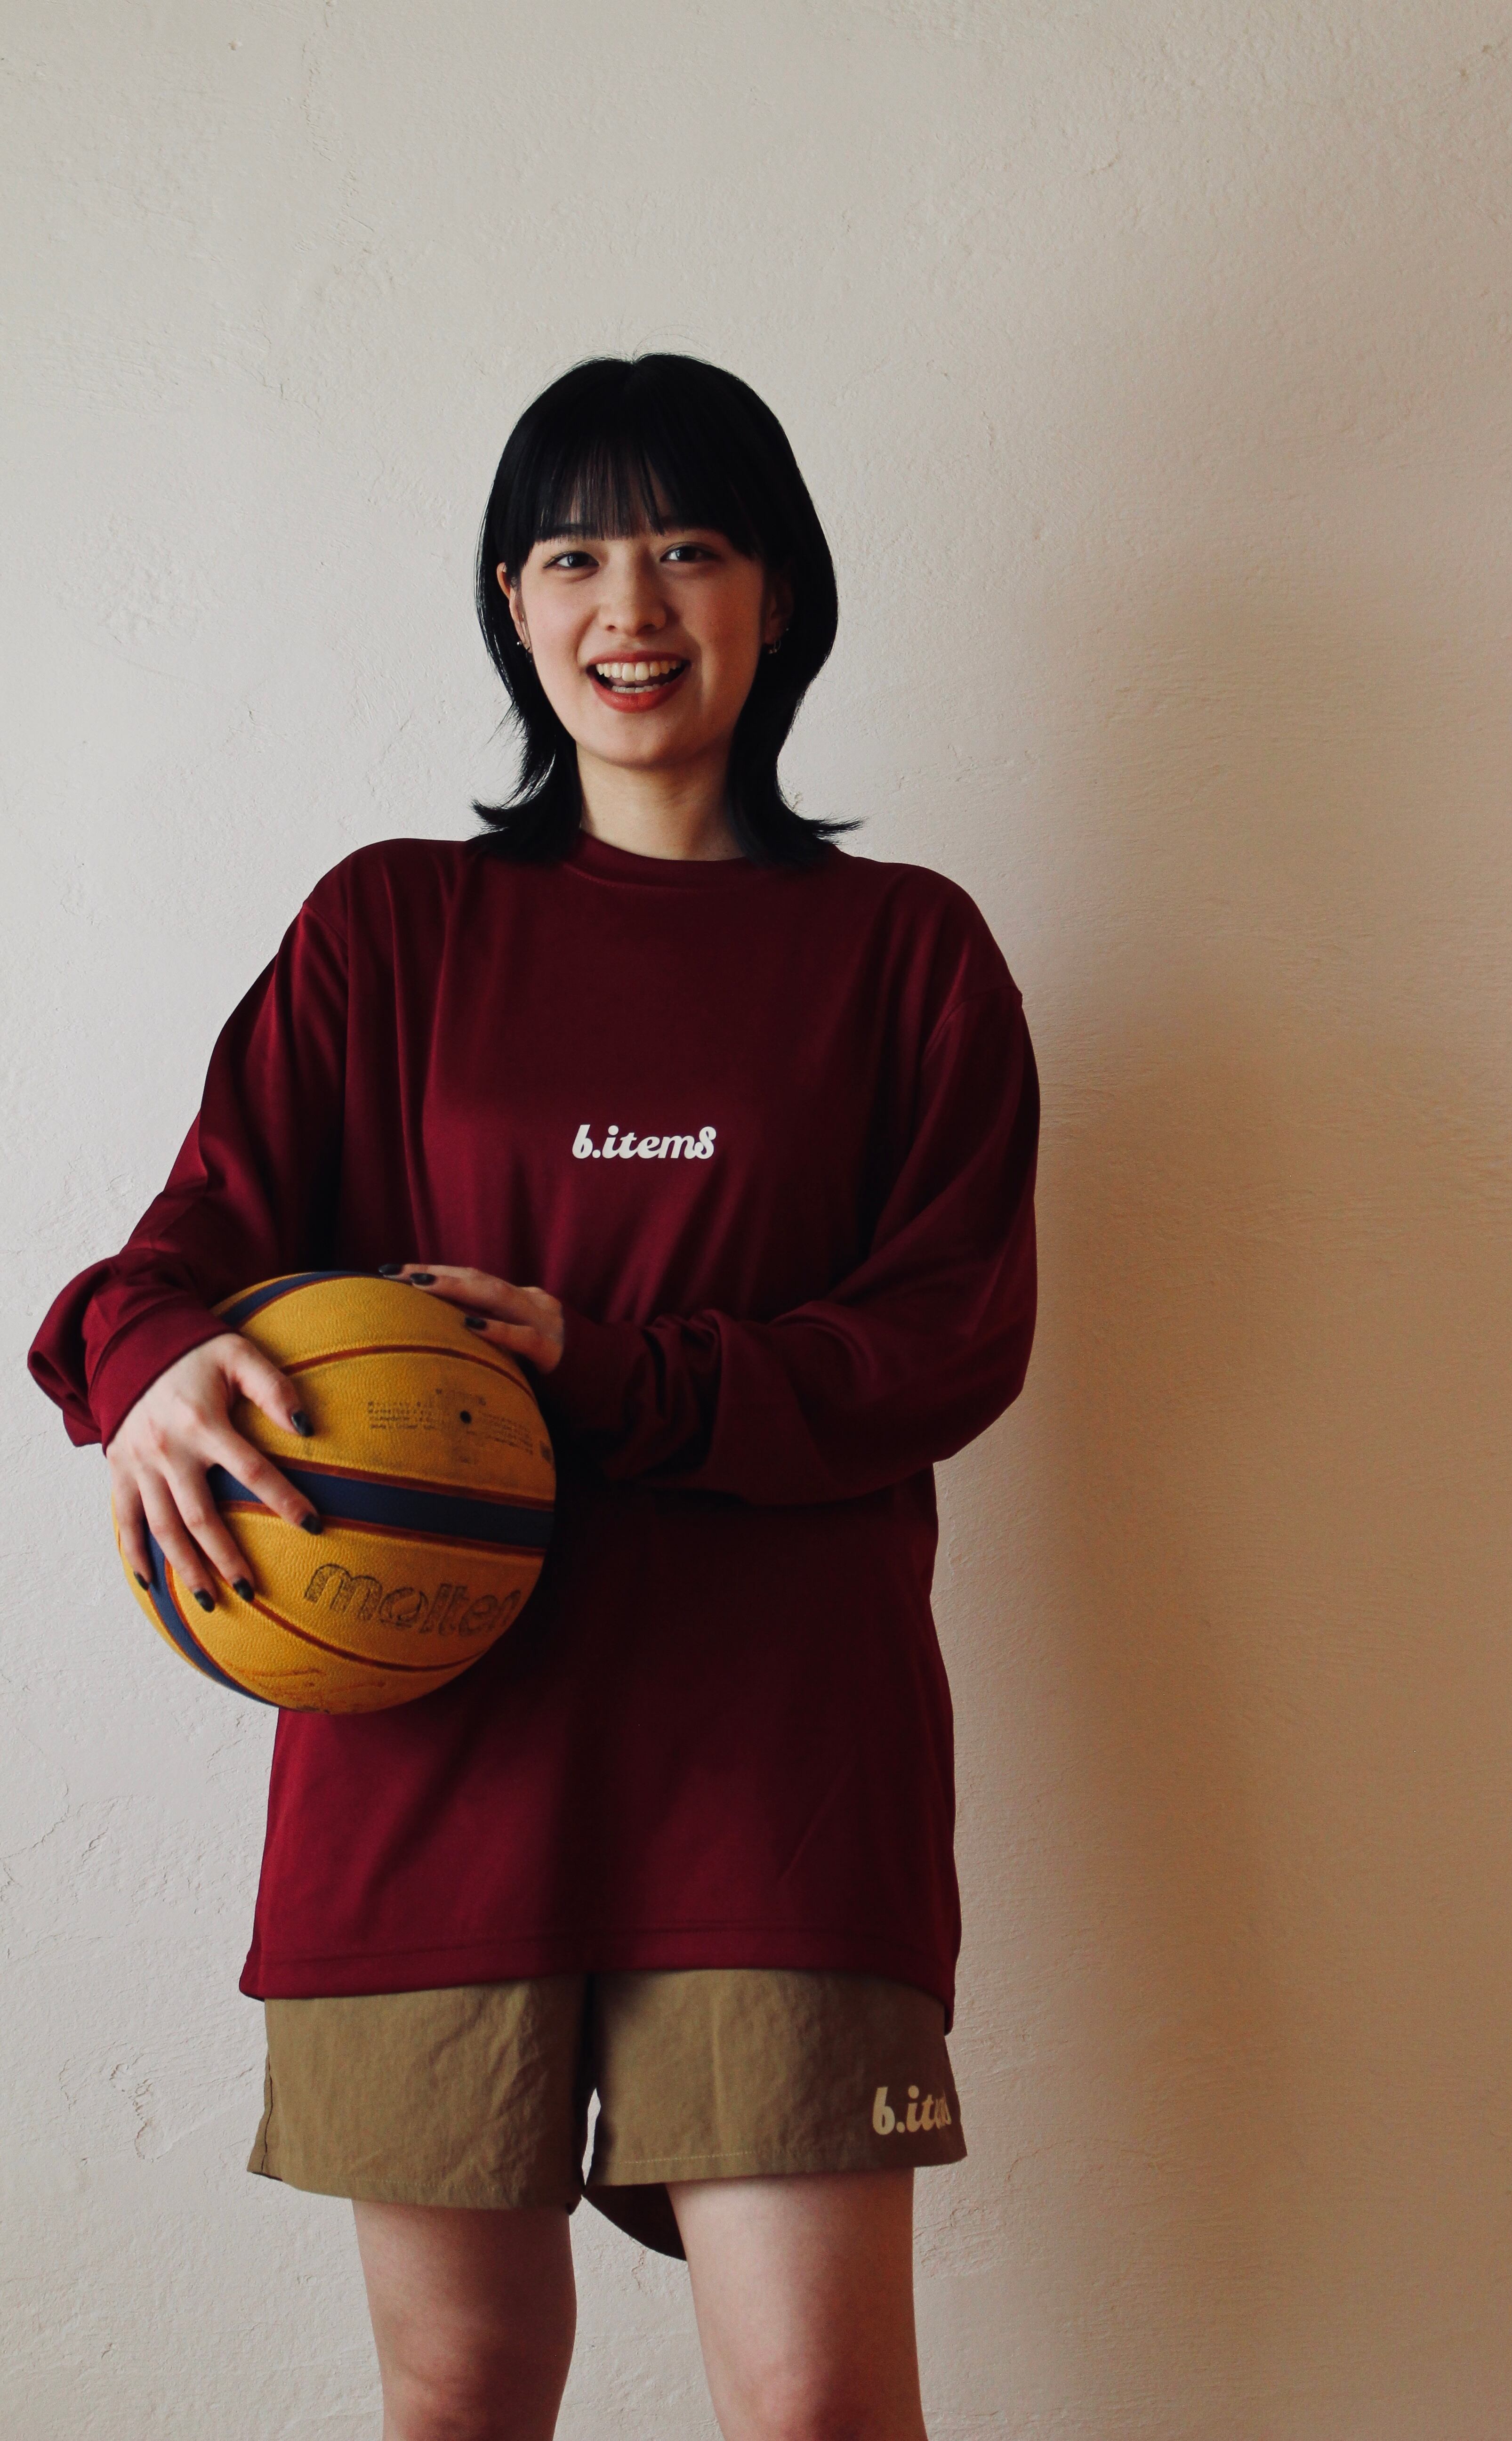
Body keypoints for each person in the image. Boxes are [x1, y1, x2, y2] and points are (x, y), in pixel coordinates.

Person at [28, 354, 1040, 2441]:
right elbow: (165, 1266)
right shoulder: (391, 927)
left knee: (820, 2408)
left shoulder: (908, 953)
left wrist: (610, 1372)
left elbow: (949, 1341)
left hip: (779, 1770)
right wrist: (147, 1376)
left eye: (690, 547)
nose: (630, 604)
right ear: (512, 603)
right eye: (572, 555)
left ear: (778, 593)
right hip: (424, 1762)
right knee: (463, 2395)